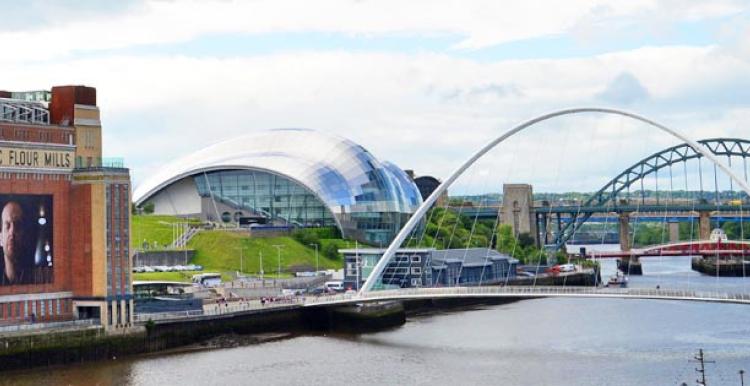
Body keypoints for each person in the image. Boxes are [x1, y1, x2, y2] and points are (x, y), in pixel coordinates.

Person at [0, 201, 33, 285]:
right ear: (0, 238)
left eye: (17, 225)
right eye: (7, 225)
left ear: (25, 236)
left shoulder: (42, 278)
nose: (12, 232)